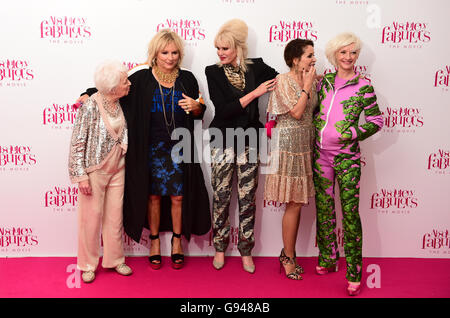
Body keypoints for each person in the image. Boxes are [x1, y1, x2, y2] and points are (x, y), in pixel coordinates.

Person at [77, 29, 211, 270]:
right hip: (150, 148)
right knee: (153, 197)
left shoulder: (188, 79)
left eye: (174, 52)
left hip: (181, 148)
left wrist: (196, 107)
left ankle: (178, 242)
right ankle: (155, 243)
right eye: (164, 52)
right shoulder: (141, 78)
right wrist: (90, 94)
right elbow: (114, 88)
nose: (170, 57)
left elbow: (201, 111)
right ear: (155, 54)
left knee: (179, 196)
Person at [313, 32, 383, 295]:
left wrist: (351, 133)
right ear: (334, 55)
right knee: (324, 209)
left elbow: (376, 122)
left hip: (347, 158)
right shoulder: (325, 82)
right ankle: (329, 258)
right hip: (320, 156)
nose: (348, 57)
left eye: (353, 52)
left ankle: (354, 271)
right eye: (343, 52)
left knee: (350, 214)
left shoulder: (364, 87)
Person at [205, 19, 278, 273]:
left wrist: (309, 74)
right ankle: (219, 248)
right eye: (218, 49)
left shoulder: (256, 67)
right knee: (221, 196)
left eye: (225, 48)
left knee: (247, 199)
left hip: (250, 142)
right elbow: (223, 110)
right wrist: (256, 93)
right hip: (222, 140)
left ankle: (246, 251)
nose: (220, 53)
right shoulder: (212, 71)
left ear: (238, 47)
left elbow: (284, 81)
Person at [69, 60, 132, 283]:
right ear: (113, 87)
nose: (129, 84)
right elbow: (77, 142)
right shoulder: (90, 106)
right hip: (94, 170)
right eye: (125, 81)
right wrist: (80, 175)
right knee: (90, 219)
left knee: (114, 218)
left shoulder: (123, 101)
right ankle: (87, 264)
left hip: (118, 168)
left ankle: (115, 260)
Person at [264, 39, 318, 280]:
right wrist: (307, 86)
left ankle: (288, 254)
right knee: (293, 203)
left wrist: (309, 84)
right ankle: (288, 256)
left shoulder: (312, 81)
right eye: (309, 55)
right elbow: (296, 113)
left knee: (297, 202)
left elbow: (312, 113)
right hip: (286, 145)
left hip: (306, 144)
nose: (313, 59)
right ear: (295, 59)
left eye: (313, 55)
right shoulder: (283, 81)